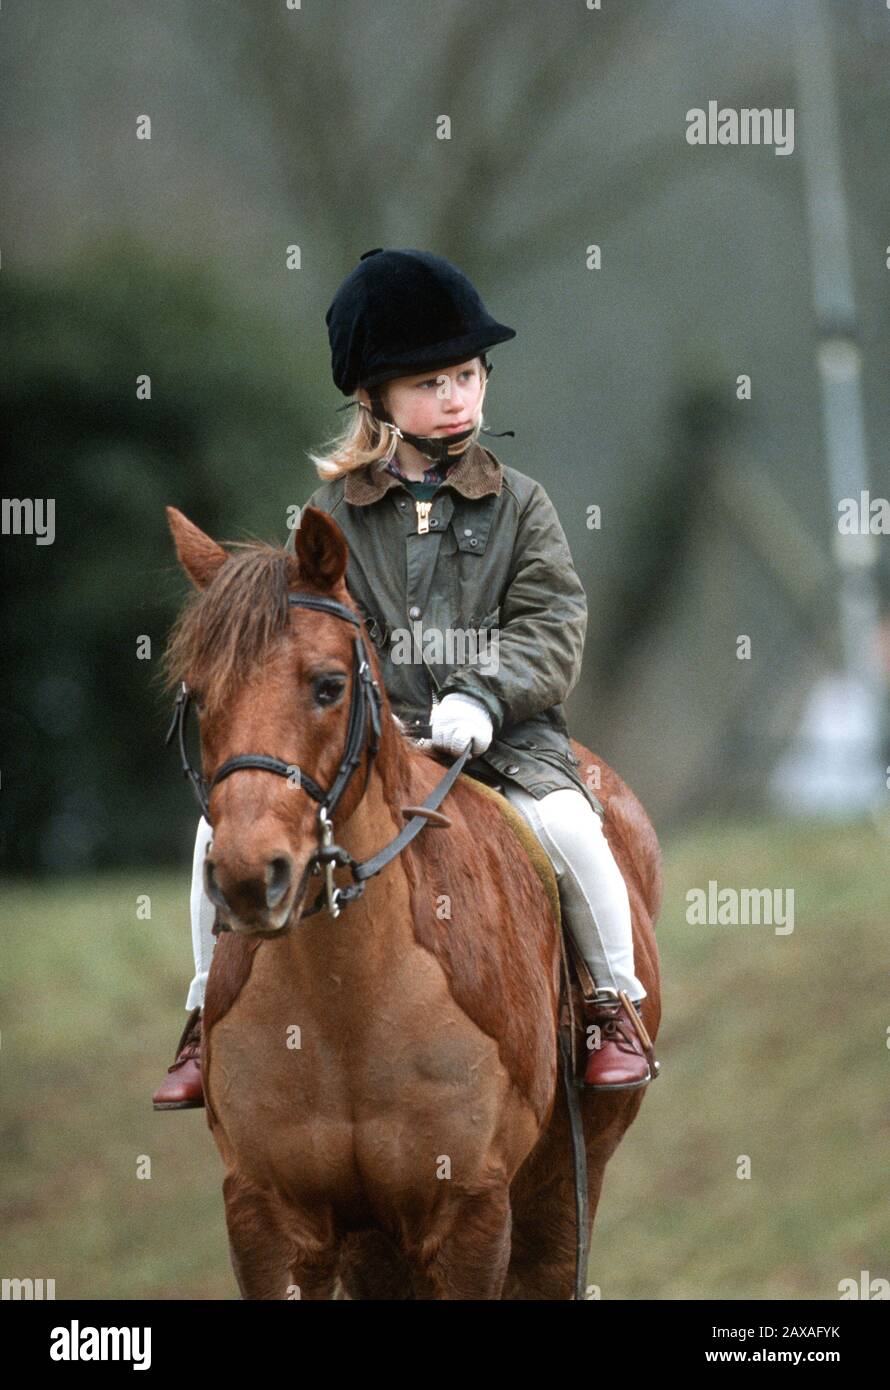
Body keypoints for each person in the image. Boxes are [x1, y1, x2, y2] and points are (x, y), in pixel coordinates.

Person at [152, 248, 659, 1110]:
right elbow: (304, 643)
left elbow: (554, 624)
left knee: (573, 825)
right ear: (375, 399)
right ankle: (207, 1017)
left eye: (466, 374)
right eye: (429, 383)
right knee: (215, 841)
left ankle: (614, 1006)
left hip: (506, 740)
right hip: (370, 746)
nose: (455, 396)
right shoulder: (329, 515)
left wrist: (484, 696)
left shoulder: (521, 505)